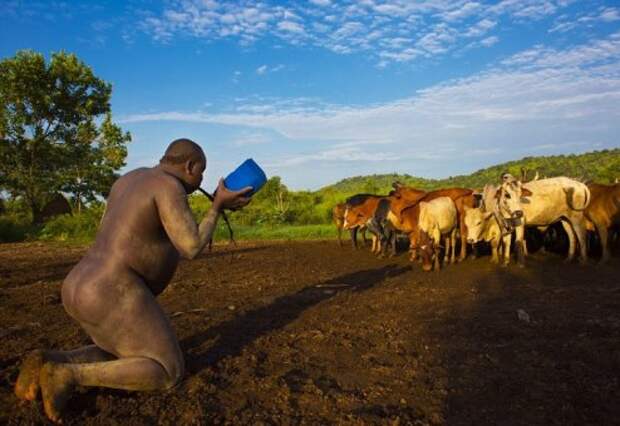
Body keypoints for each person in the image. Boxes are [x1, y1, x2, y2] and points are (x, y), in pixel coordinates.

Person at [14, 138, 252, 422]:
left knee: (119, 352)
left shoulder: (129, 179)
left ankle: (51, 360)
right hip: (112, 288)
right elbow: (190, 246)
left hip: (79, 282)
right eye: (201, 172)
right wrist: (216, 209)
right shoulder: (168, 186)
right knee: (167, 370)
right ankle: (69, 374)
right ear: (190, 166)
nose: (200, 179)